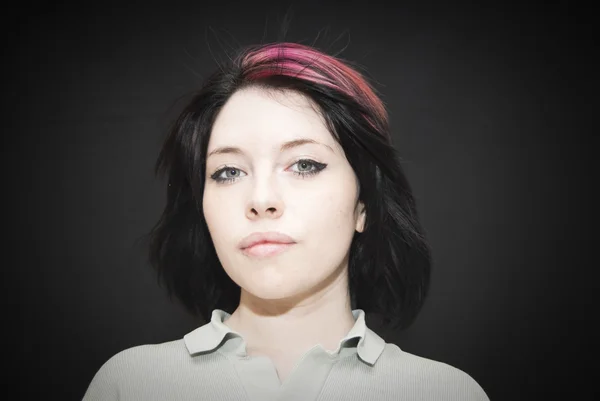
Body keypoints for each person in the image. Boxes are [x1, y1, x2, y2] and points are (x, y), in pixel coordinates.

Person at [82, 41, 490, 401]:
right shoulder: (132, 385)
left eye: (305, 164)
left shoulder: (445, 393)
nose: (261, 200)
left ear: (363, 205)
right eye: (228, 172)